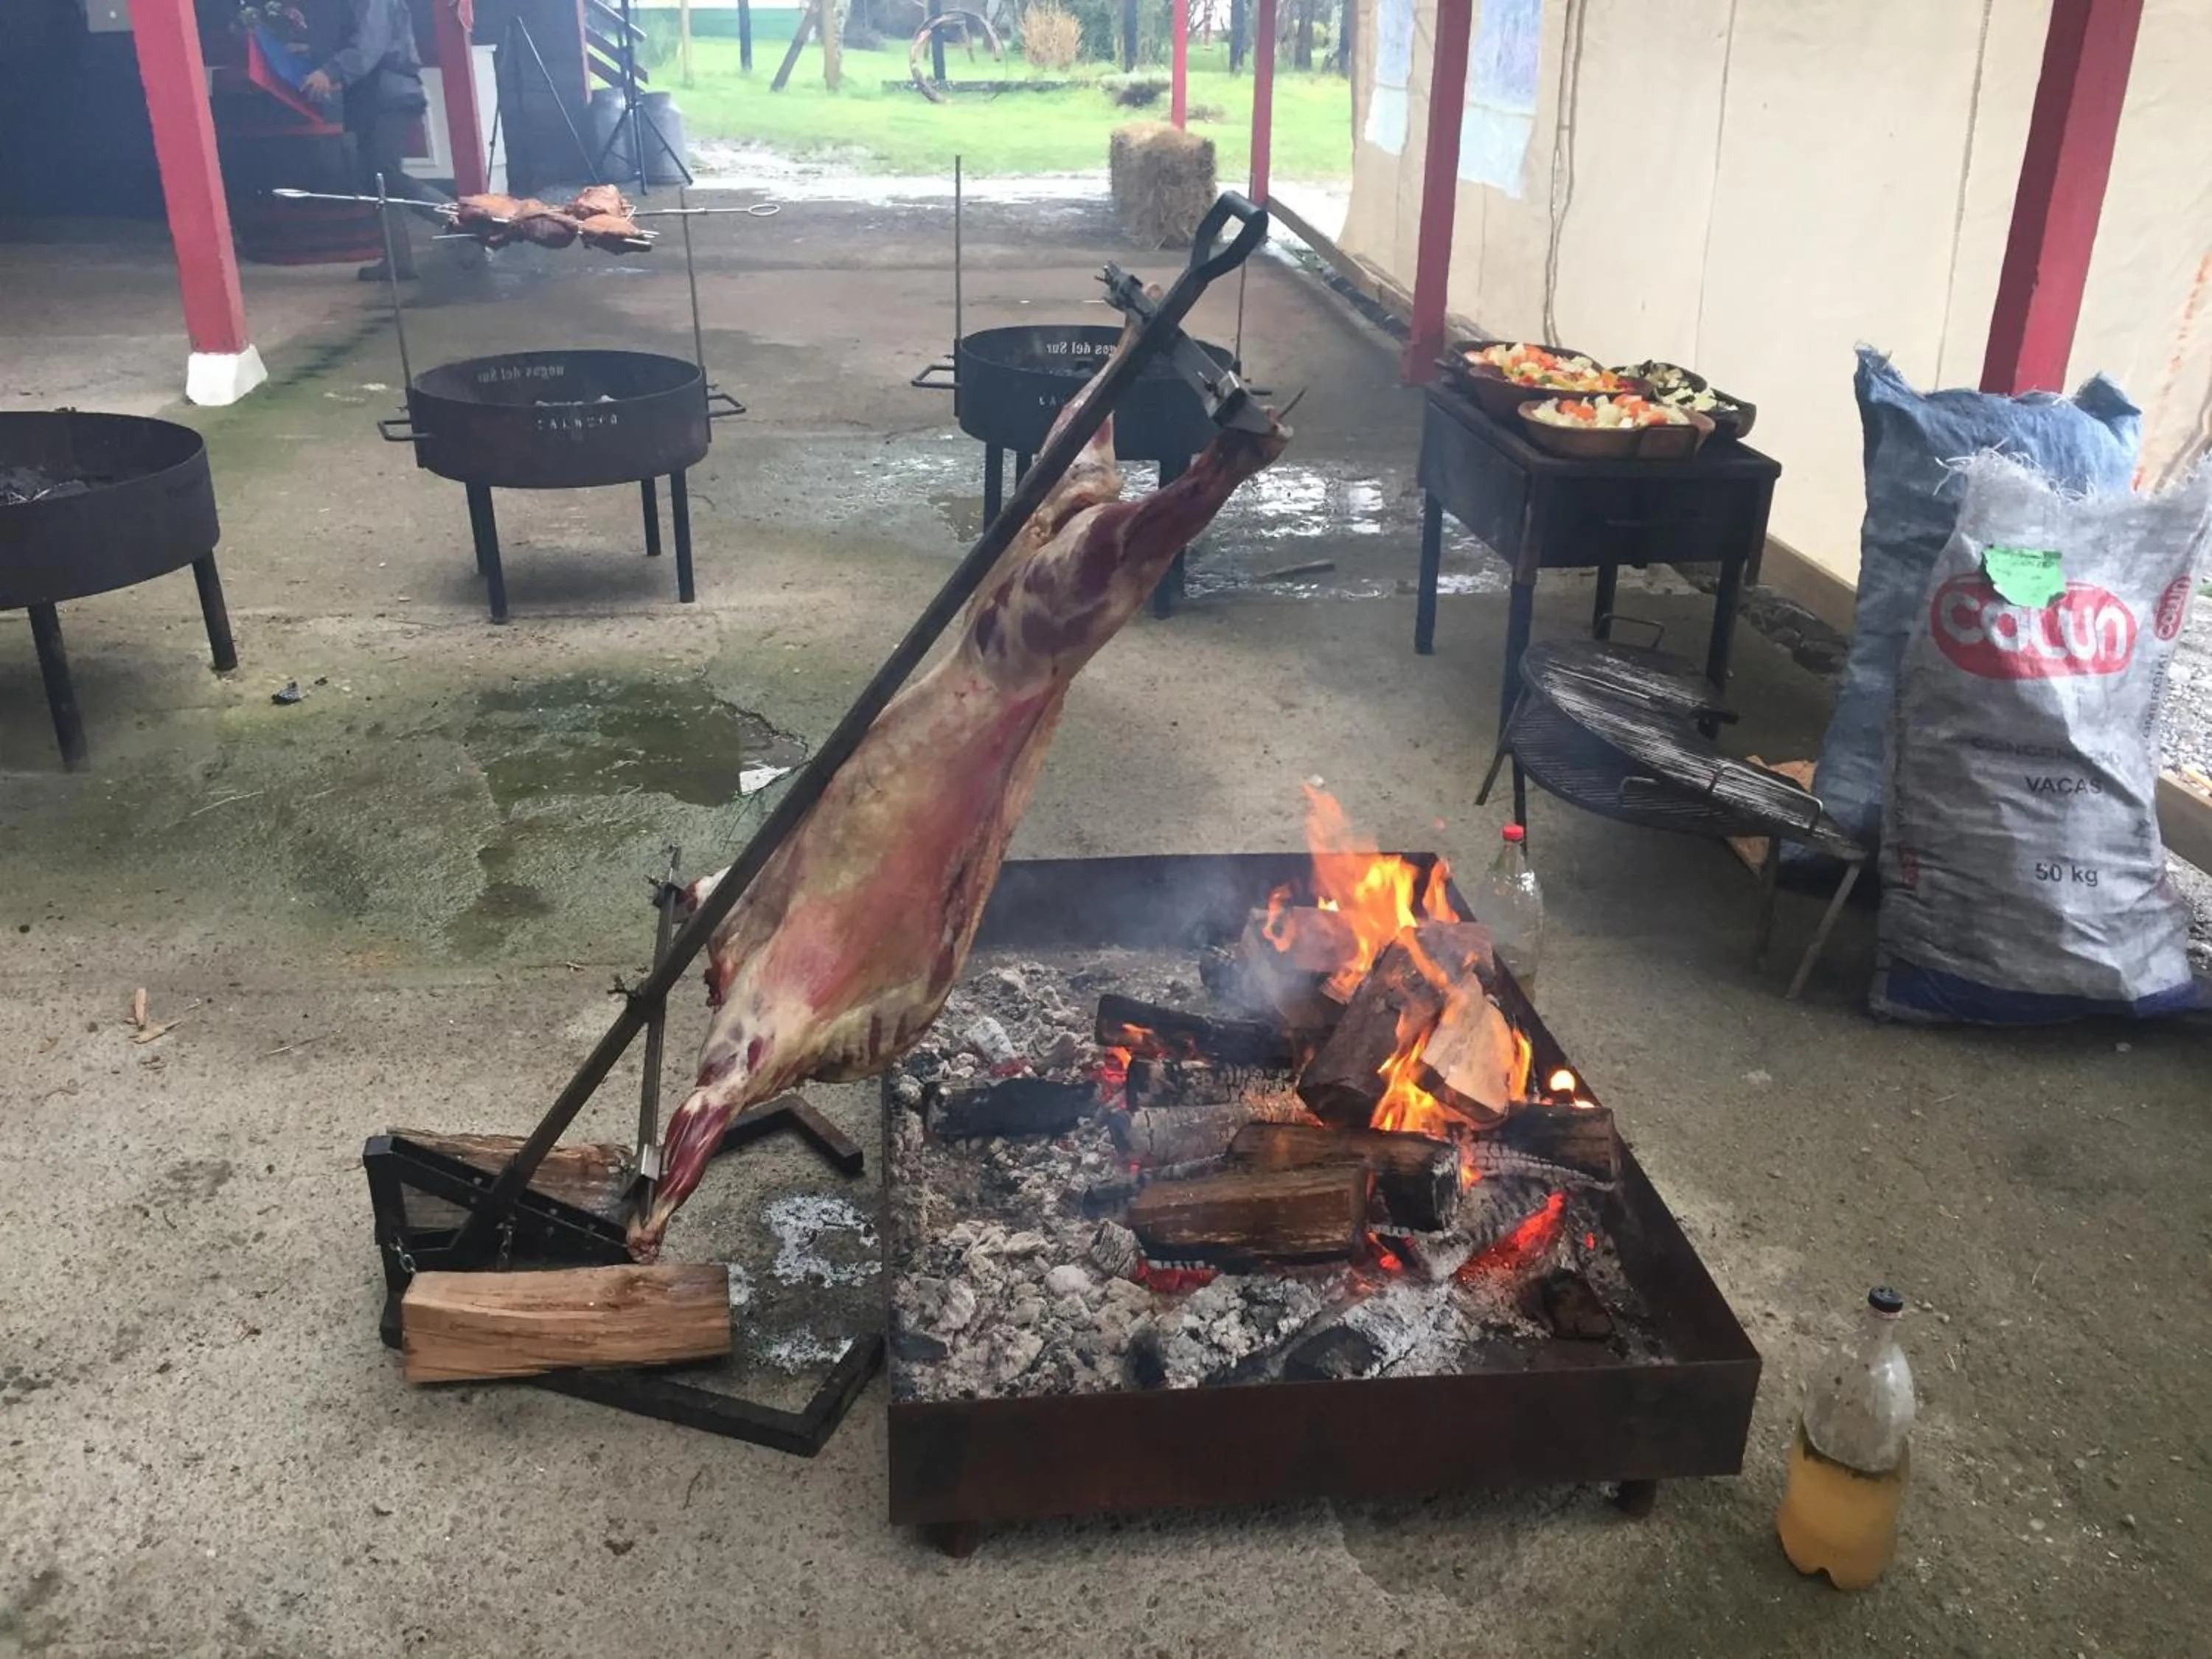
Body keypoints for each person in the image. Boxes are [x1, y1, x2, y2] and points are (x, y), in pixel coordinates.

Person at [301, 0, 444, 281]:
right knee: (374, 178)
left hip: (387, 95)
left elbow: (369, 45)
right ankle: (398, 261)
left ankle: (464, 222)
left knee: (386, 177)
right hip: (372, 96)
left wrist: (330, 71)